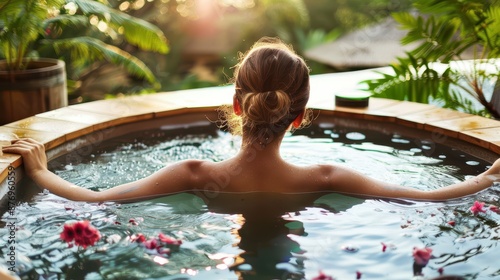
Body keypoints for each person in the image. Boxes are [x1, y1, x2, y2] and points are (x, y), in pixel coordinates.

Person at [2, 37, 500, 203]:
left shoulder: (194, 174)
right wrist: (484, 176)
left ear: (237, 106)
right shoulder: (326, 177)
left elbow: (97, 200)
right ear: (299, 117)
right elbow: (424, 196)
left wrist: (43, 172)